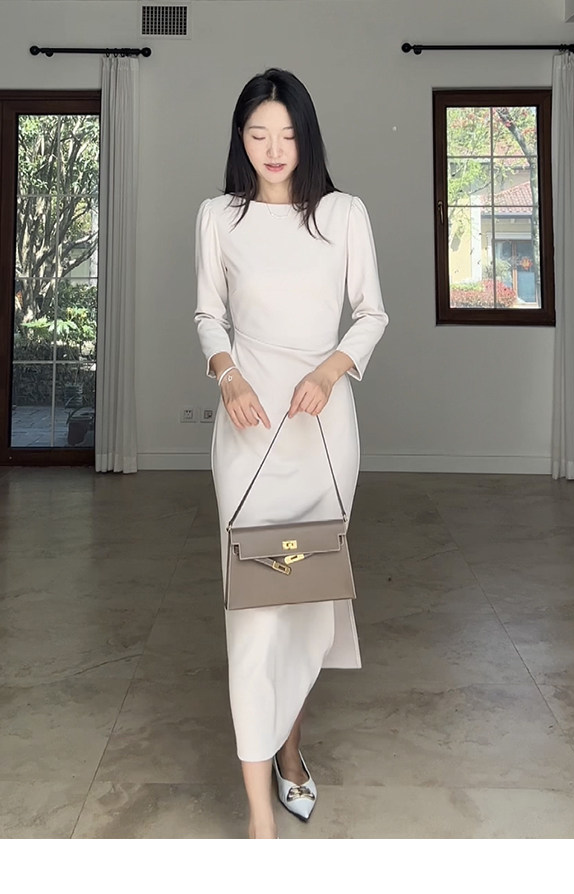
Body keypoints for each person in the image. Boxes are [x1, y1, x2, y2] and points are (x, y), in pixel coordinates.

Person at [194, 68, 388, 839]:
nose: (273, 149)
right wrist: (229, 376)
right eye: (257, 134)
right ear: (240, 140)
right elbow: (208, 315)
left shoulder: (343, 214)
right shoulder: (219, 216)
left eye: (286, 133)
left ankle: (291, 751)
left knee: (306, 602)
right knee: (252, 612)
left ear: (306, 137)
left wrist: (330, 371)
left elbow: (371, 314)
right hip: (247, 432)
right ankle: (258, 818)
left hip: (323, 433)